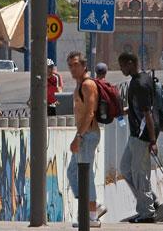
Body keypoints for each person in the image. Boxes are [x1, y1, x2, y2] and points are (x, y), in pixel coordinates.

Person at [66, 51, 107, 228]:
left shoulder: (88, 85)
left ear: (84, 66)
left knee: (85, 174)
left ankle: (91, 215)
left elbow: (90, 112)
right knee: (73, 172)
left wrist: (79, 137)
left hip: (88, 135)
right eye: (70, 65)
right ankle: (93, 207)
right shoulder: (79, 85)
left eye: (76, 64)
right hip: (84, 134)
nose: (73, 68)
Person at [118, 52, 159, 223]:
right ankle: (149, 200)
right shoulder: (139, 79)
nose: (121, 69)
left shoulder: (140, 84)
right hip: (135, 135)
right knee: (126, 168)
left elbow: (147, 114)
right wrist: (124, 112)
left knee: (140, 174)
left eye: (122, 66)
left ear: (130, 63)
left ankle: (147, 213)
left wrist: (152, 141)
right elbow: (140, 108)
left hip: (142, 137)